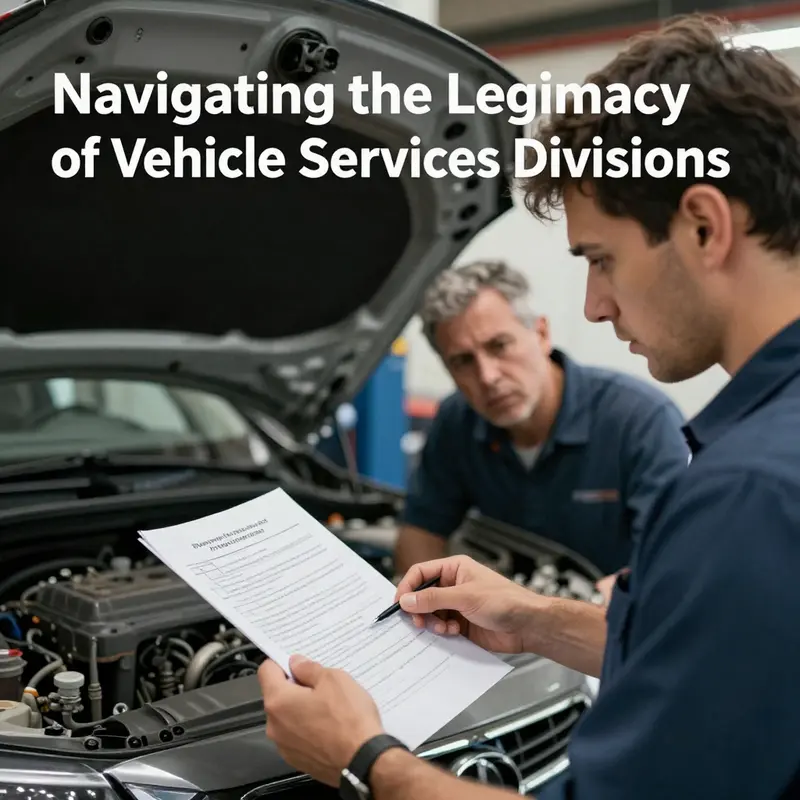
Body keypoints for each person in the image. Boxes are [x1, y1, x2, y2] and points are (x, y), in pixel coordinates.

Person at [257, 12, 800, 799]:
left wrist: (364, 759)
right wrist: (531, 617)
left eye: (600, 260)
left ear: (706, 225)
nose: (594, 307)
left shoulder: (746, 497)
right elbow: (728, 662)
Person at [394, 259, 690, 589]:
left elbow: (674, 565)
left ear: (541, 333)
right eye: (463, 361)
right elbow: (420, 532)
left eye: (499, 346)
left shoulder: (641, 422)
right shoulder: (456, 422)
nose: (488, 377)